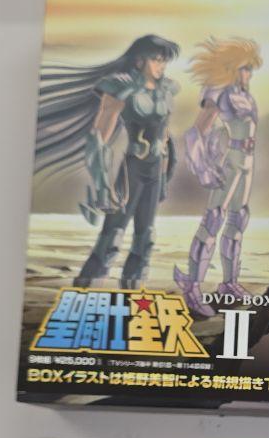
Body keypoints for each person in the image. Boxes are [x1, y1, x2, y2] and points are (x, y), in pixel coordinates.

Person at [34, 34, 181, 289]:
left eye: (164, 60)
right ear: (140, 60)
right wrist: (102, 184)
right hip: (132, 170)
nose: (162, 66)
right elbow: (99, 138)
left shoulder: (166, 89)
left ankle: (132, 296)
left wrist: (166, 175)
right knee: (112, 237)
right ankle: (83, 292)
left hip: (155, 170)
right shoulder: (121, 87)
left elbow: (165, 135)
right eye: (156, 59)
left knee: (145, 239)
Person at [174, 36, 263, 317]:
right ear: (232, 68)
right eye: (245, 68)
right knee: (214, 218)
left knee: (239, 219)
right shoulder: (219, 92)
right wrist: (203, 166)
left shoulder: (245, 95)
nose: (249, 74)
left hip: (247, 162)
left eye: (250, 69)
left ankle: (229, 283)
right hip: (232, 161)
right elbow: (196, 131)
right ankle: (192, 286)